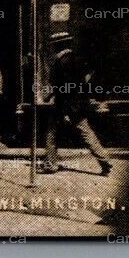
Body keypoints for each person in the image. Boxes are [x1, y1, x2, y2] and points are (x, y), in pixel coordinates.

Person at [40, 31, 112, 176]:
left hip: (65, 105)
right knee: (86, 133)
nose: (52, 48)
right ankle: (104, 160)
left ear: (58, 46)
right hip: (80, 103)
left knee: (51, 133)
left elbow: (57, 86)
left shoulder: (58, 62)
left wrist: (47, 97)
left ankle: (51, 164)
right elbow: (87, 78)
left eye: (53, 46)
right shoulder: (78, 59)